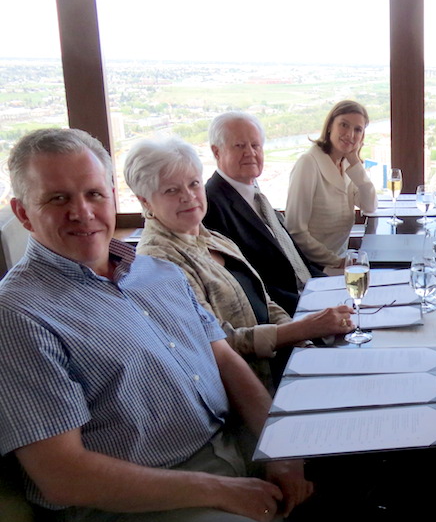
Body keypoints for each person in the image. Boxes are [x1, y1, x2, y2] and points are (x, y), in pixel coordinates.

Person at [0, 128, 357, 522]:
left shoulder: (155, 274)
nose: (82, 212)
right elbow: (64, 475)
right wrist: (217, 490)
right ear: (22, 211)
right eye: (57, 199)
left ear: (112, 195)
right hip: (123, 514)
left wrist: (279, 452)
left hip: (225, 451)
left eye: (93, 193)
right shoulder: (18, 314)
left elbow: (228, 366)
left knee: (371, 492)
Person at [124, 137, 353, 390]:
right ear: (144, 200)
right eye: (171, 190)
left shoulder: (213, 239)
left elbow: (265, 304)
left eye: (194, 184)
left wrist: (305, 346)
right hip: (249, 389)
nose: (189, 197)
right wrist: (302, 331)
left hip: (285, 366)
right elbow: (217, 343)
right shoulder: (158, 261)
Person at [204, 111, 322, 316]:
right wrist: (313, 308)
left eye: (255, 145)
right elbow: (246, 286)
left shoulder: (255, 193)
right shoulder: (211, 205)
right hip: (288, 313)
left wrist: (333, 287)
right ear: (217, 152)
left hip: (313, 294)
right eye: (240, 146)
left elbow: (295, 261)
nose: (250, 153)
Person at [284, 100, 378, 269]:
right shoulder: (309, 164)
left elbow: (370, 206)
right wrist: (336, 262)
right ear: (329, 127)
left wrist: (355, 162)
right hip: (314, 265)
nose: (350, 134)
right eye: (344, 125)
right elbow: (296, 231)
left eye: (358, 129)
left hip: (341, 260)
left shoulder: (347, 164)